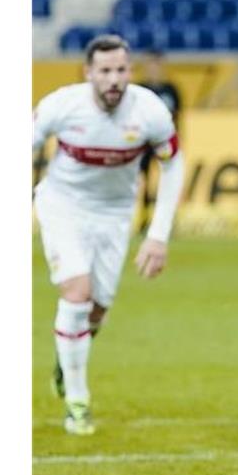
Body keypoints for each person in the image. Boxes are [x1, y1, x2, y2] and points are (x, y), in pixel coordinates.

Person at [34, 34, 184, 435]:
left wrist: (158, 235)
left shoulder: (150, 111)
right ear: (89, 73)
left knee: (96, 311)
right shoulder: (62, 105)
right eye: (105, 71)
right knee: (77, 294)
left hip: (115, 215)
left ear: (129, 71)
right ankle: (78, 403)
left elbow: (173, 165)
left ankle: (65, 363)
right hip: (63, 205)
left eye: (120, 70)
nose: (114, 79)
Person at [137, 49, 182, 235]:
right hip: (144, 144)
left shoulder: (171, 90)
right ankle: (143, 219)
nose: (154, 69)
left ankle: (166, 222)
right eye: (151, 65)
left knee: (167, 182)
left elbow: (178, 118)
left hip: (164, 144)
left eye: (157, 64)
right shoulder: (139, 90)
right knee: (144, 183)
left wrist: (179, 140)